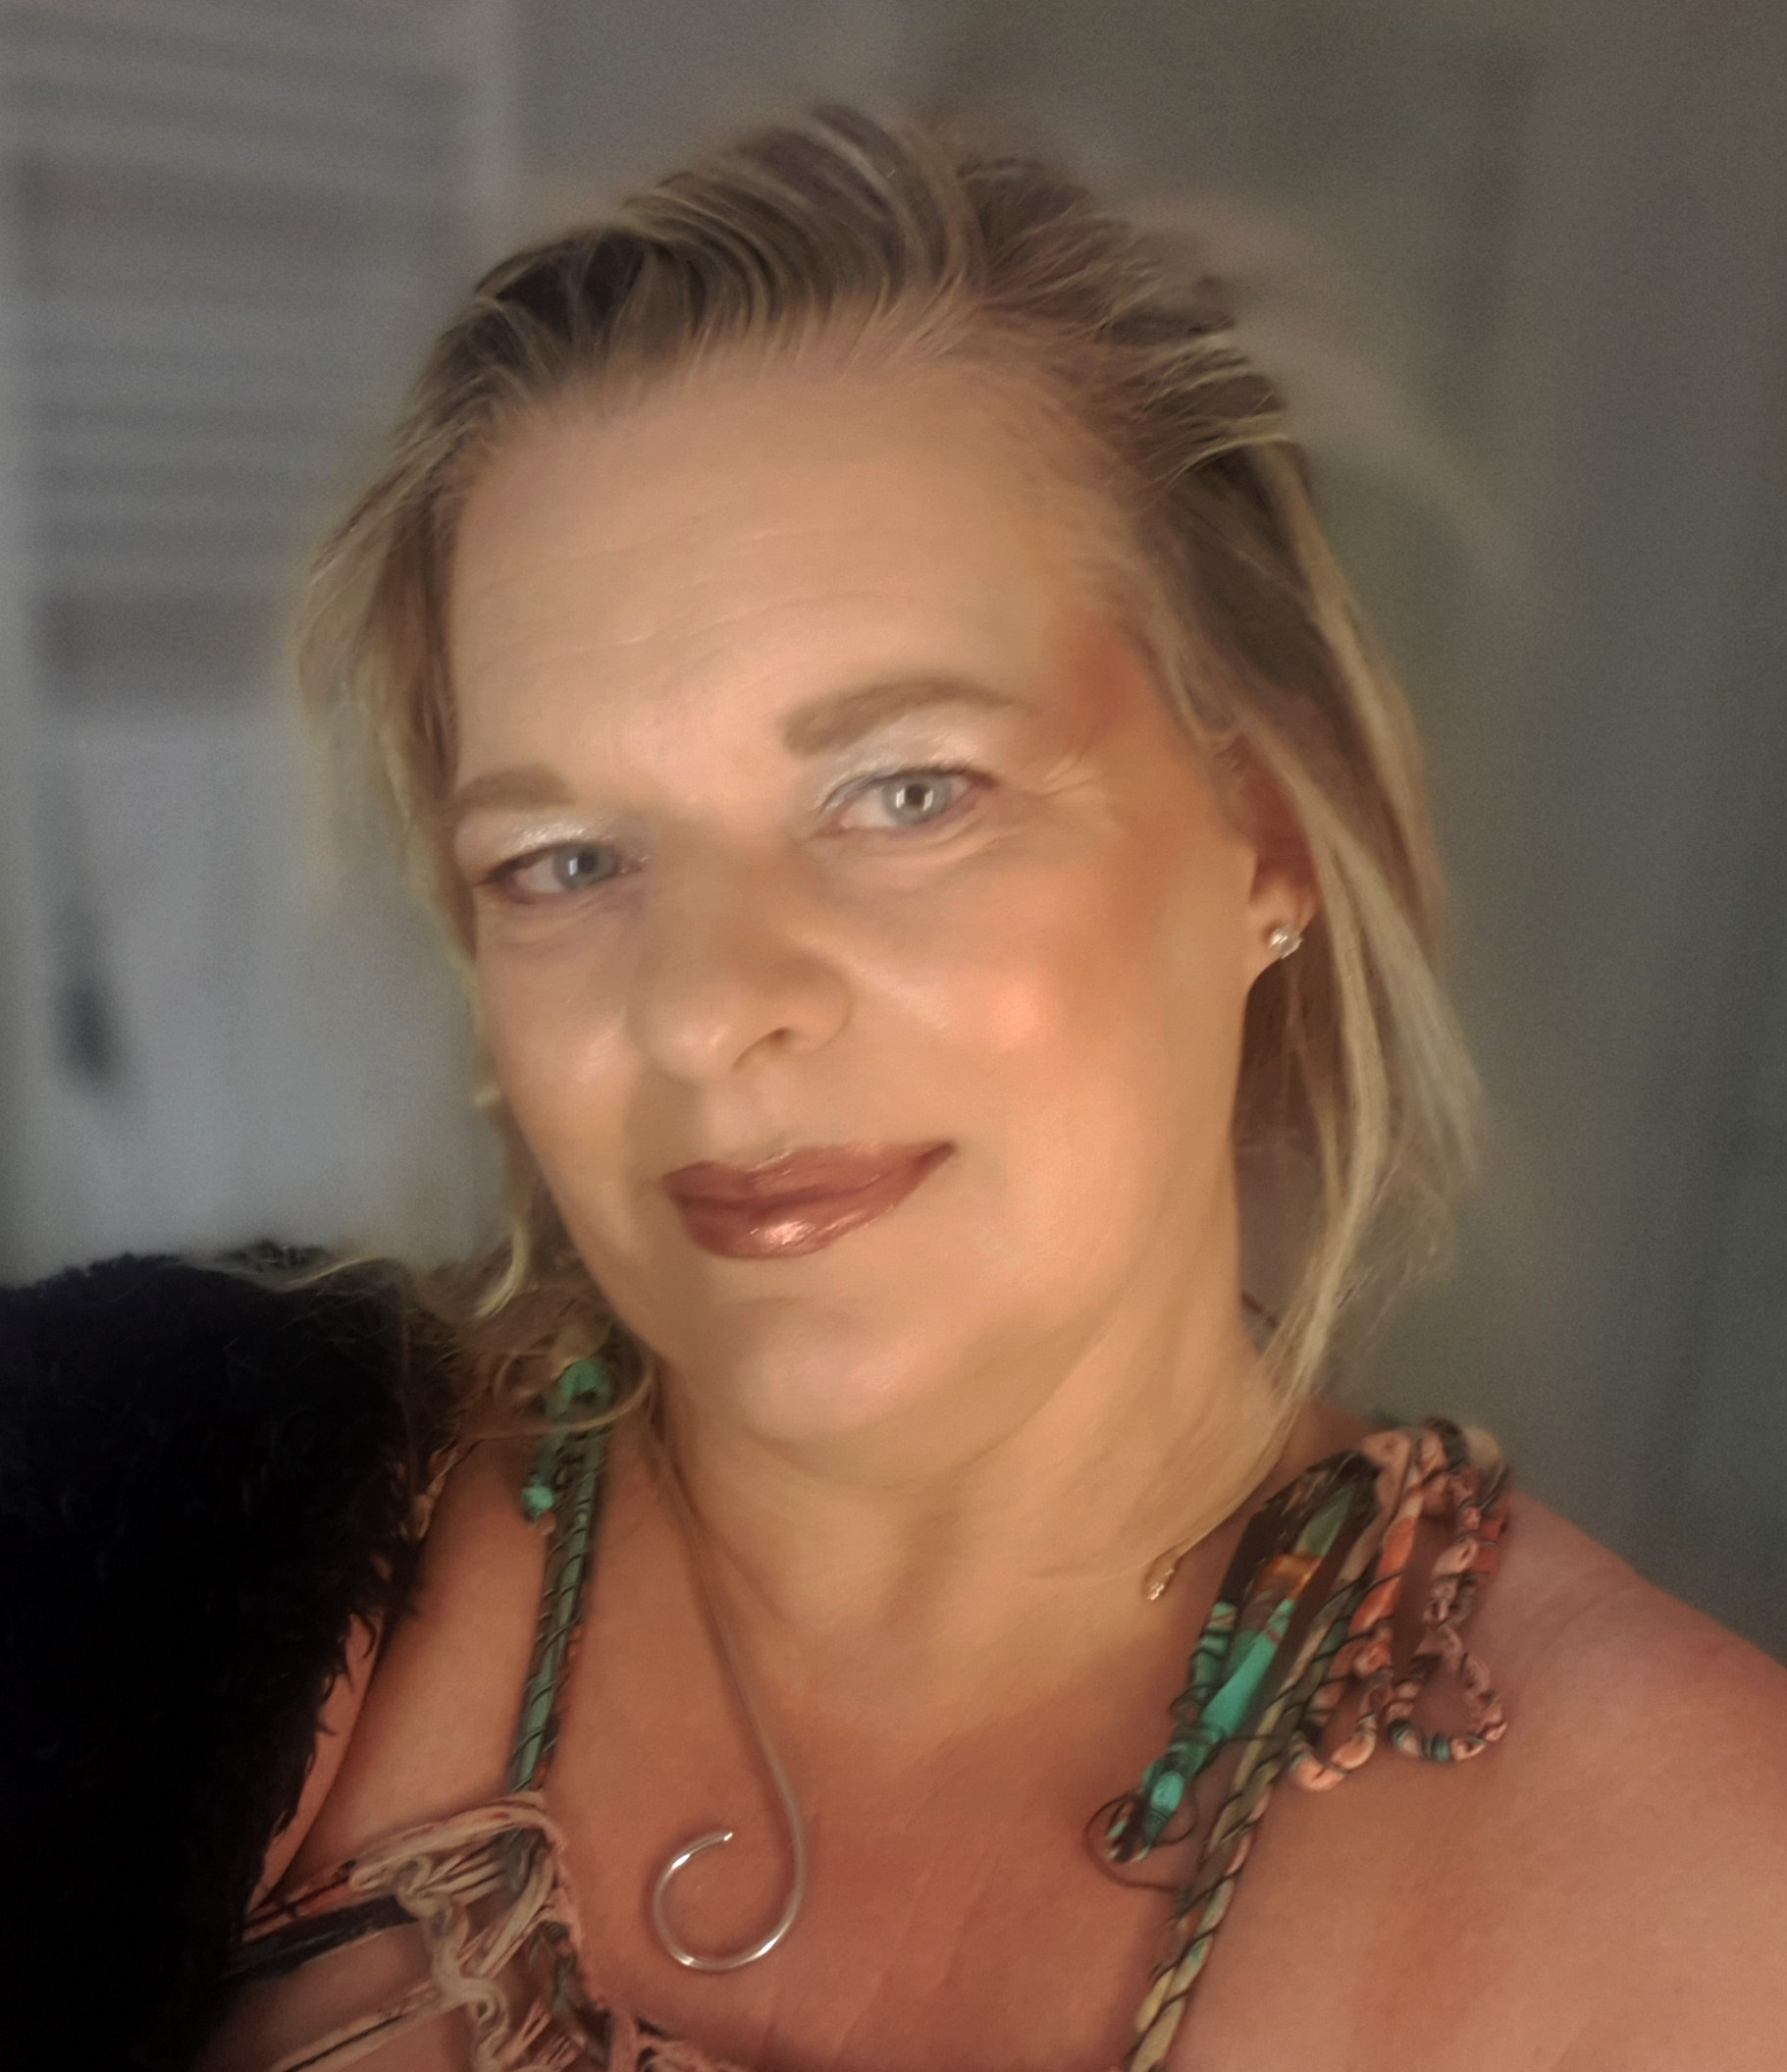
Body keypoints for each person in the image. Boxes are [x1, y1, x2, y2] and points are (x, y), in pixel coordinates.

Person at [8, 107, 1787, 2072]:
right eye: (565, 860)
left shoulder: (1704, 1910)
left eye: (904, 790)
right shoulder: (140, 1527)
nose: (707, 1009)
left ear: (1268, 834)